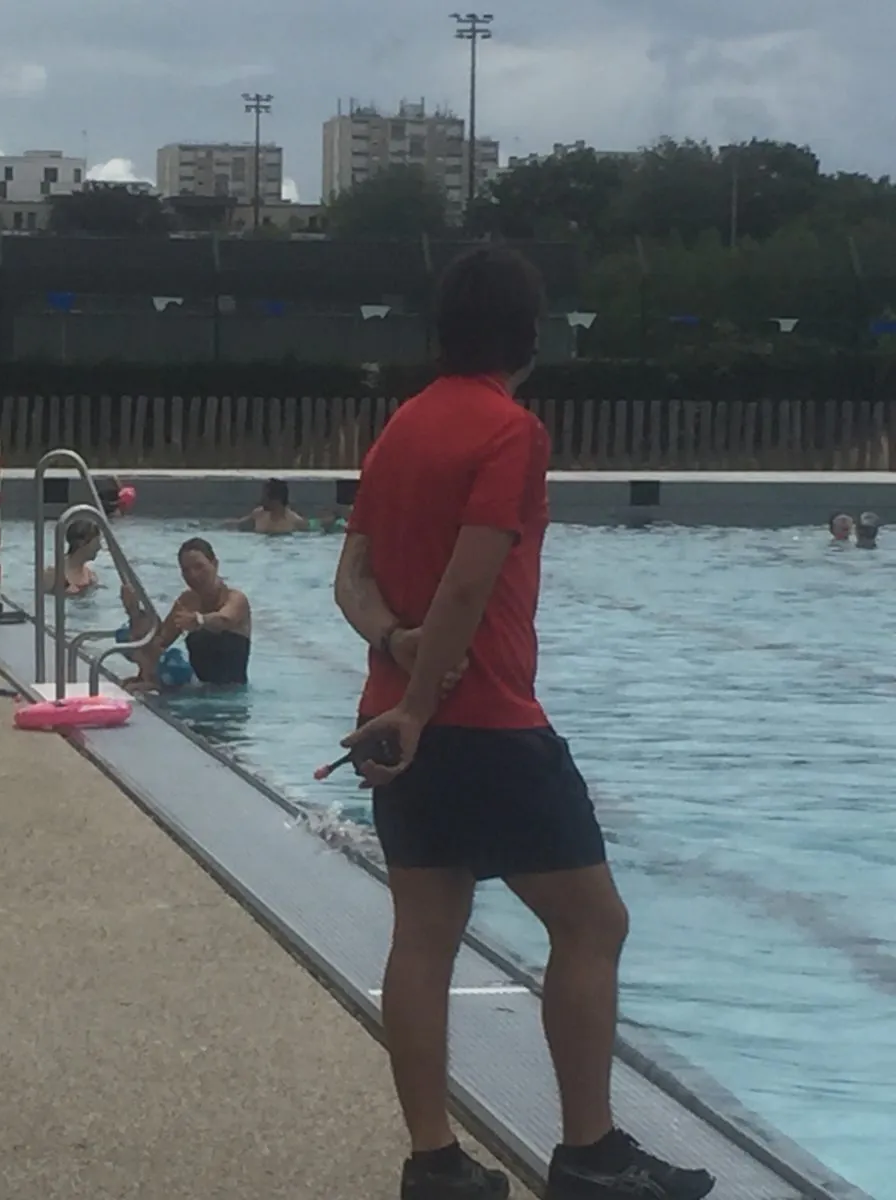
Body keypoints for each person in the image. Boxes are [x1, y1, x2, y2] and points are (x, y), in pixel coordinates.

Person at [332, 246, 715, 1200]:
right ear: (527, 336)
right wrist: (425, 698)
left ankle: (435, 1163)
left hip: (393, 721)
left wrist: (397, 647)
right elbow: (474, 572)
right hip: (486, 724)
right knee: (594, 923)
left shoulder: (401, 430)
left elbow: (350, 577)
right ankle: (588, 1154)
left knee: (424, 933)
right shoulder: (511, 431)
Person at [128, 537, 252, 689]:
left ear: (215, 564)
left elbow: (224, 620)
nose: (193, 575)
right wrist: (133, 612)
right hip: (196, 692)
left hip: (231, 698)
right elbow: (158, 643)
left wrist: (199, 620)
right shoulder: (187, 602)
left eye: (199, 567)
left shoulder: (236, 599)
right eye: (186, 570)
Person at [42, 519, 103, 595]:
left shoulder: (91, 577)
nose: (99, 547)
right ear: (81, 543)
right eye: (96, 543)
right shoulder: (53, 575)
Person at [228, 478, 307, 534]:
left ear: (276, 500)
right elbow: (238, 524)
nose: (262, 500)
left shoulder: (296, 522)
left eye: (265, 497)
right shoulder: (258, 514)